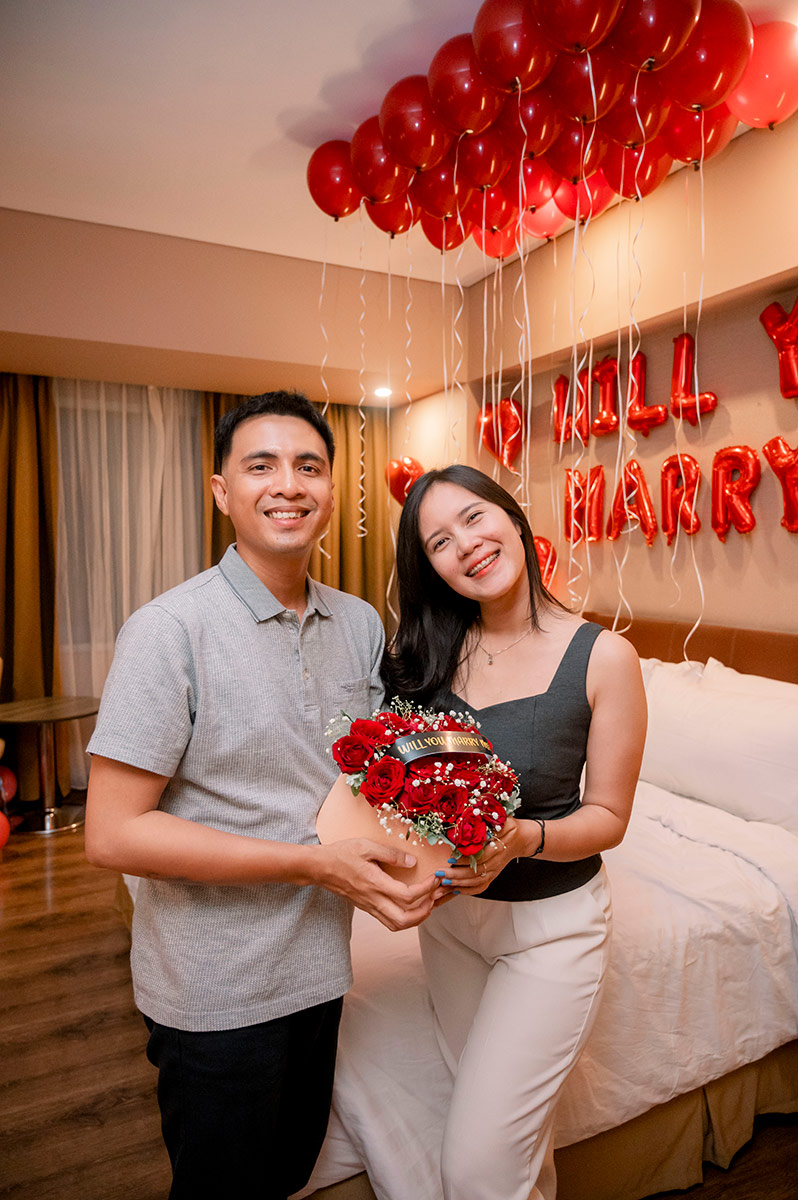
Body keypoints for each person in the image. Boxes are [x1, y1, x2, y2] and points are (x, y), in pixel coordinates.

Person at [84, 391, 439, 1200]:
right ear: (222, 491)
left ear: (331, 491)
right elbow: (111, 834)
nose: (288, 484)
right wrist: (312, 865)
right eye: (261, 466)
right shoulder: (169, 630)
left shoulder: (358, 624)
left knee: (287, 1172)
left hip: (322, 967)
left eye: (309, 466)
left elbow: (368, 779)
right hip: (215, 987)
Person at [382, 464, 647, 1200]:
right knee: (511, 1153)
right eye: (439, 541)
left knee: (474, 1166)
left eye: (474, 517)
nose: (465, 544)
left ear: (513, 518)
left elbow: (609, 818)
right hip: (449, 925)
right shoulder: (429, 655)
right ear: (430, 568)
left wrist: (523, 838)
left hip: (549, 933)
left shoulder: (604, 656)